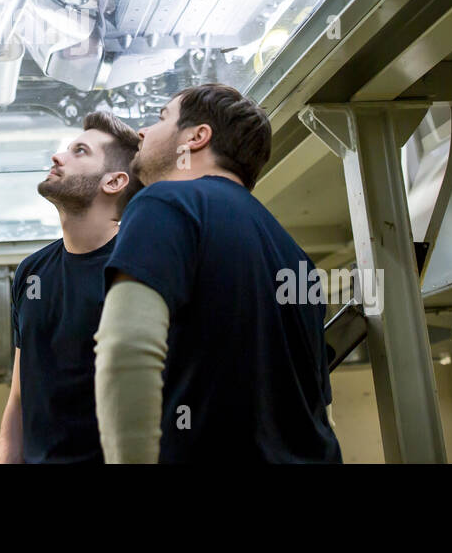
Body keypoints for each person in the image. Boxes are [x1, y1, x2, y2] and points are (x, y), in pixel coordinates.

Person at [93, 83, 342, 463]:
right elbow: (319, 403)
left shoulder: (165, 202)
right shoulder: (297, 258)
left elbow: (126, 346)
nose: (142, 132)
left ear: (196, 137)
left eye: (161, 118)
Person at [0, 111, 142, 463]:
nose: (57, 157)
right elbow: (19, 398)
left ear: (114, 181)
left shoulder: (139, 268)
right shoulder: (32, 272)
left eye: (80, 152)